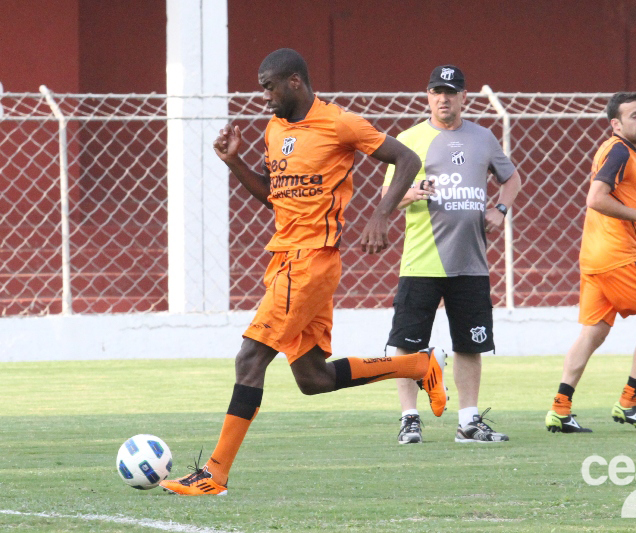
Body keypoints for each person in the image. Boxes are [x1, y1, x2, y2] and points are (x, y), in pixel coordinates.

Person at [160, 48, 447, 496]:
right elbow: (275, 196)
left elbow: (406, 158)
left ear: (294, 81)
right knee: (312, 379)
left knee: (250, 359)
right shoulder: (276, 130)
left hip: (310, 261)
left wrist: (381, 214)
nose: (264, 97)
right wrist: (235, 162)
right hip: (286, 258)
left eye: (269, 87)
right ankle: (417, 363)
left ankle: (214, 473)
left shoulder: (339, 123)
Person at [383, 65, 522, 444]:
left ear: (464, 97)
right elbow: (389, 198)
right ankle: (409, 418)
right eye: (436, 91)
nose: (443, 98)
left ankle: (469, 421)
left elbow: (512, 178)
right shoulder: (408, 139)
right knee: (407, 343)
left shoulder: (483, 137)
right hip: (422, 260)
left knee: (470, 343)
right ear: (427, 96)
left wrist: (501, 209)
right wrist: (413, 191)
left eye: (450, 92)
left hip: (471, 262)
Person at [544, 92, 636, 434]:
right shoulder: (618, 150)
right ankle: (630, 403)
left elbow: (618, 202)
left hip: (595, 257)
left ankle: (560, 409)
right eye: (634, 115)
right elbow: (596, 199)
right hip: (619, 257)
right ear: (616, 123)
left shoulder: (619, 152)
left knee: (593, 333)